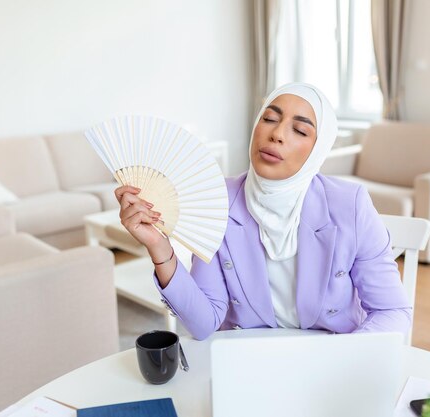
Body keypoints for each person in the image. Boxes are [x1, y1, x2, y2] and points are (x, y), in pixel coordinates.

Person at [114, 83, 411, 340]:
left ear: (317, 150)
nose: (277, 134)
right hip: (250, 360)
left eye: (300, 130)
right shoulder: (219, 200)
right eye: (269, 118)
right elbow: (204, 324)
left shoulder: (350, 204)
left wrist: (343, 359)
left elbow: (392, 311)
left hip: (333, 359)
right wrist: (158, 245)